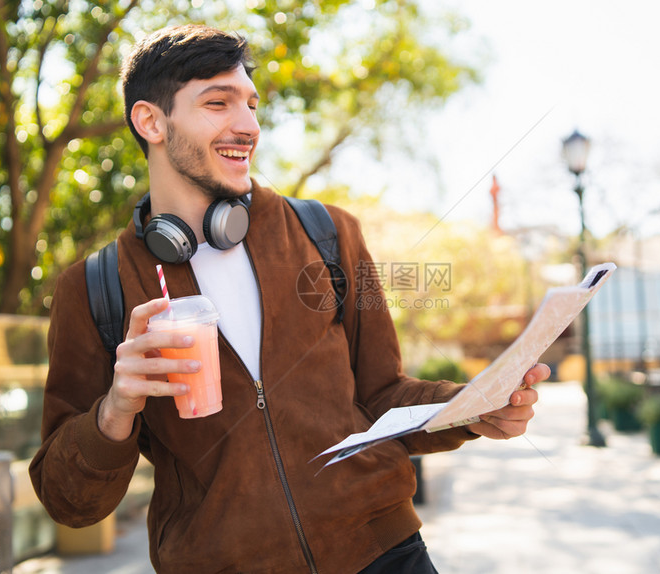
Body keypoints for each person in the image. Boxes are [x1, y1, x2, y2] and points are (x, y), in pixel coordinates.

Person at [29, 24, 549, 574]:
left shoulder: (328, 233)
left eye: (251, 105)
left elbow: (380, 396)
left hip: (383, 555)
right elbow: (68, 503)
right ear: (151, 121)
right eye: (217, 103)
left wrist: (470, 407)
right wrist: (115, 410)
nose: (248, 126)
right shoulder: (92, 288)